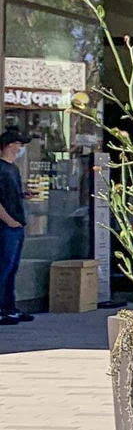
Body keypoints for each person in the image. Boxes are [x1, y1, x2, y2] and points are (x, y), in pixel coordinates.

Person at [0, 130, 31, 325]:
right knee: (3, 268)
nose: (21, 148)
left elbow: (11, 194)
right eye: (19, 144)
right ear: (10, 145)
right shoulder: (1, 168)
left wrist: (24, 194)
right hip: (6, 227)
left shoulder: (14, 169)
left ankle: (10, 308)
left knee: (11, 269)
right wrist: (9, 220)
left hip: (16, 226)